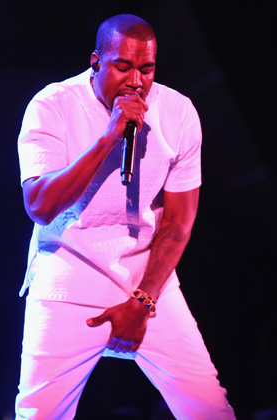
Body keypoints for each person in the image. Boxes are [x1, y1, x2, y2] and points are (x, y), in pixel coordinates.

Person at [15, 14, 235, 420]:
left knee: (209, 408)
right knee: (39, 414)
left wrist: (143, 300)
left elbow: (178, 223)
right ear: (96, 62)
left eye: (146, 69)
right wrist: (108, 137)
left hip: (147, 282)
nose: (136, 81)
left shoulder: (178, 113)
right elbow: (40, 206)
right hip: (67, 276)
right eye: (122, 67)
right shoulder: (53, 105)